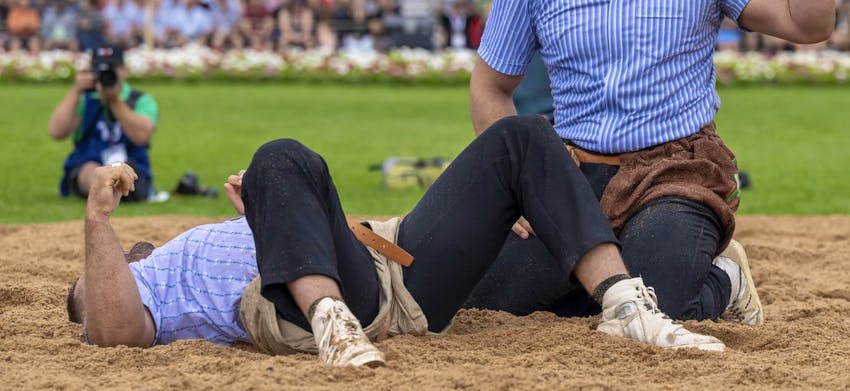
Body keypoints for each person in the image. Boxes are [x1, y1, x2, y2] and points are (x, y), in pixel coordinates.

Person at [467, 0, 834, 324]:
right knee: (491, 301)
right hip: (573, 173)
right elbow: (490, 87)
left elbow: (808, 22)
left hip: (676, 171)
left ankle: (725, 281)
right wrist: (524, 183)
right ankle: (623, 278)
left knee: (659, 305)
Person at [66, 116, 734, 367]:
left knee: (521, 138)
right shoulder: (140, 291)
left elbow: (308, 211)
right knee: (278, 152)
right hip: (310, 308)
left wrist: (271, 209)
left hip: (388, 265)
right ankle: (333, 323)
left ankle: (625, 303)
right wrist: (98, 224)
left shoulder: (189, 241)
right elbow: (112, 329)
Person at [48, 46, 161, 201]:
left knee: (124, 170)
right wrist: (75, 92)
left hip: (131, 166)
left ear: (124, 70)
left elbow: (141, 136)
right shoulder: (85, 99)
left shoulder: (140, 100)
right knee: (92, 170)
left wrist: (115, 100)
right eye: (100, 70)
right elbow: (56, 132)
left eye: (112, 69)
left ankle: (109, 192)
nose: (106, 75)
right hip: (89, 167)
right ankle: (105, 191)